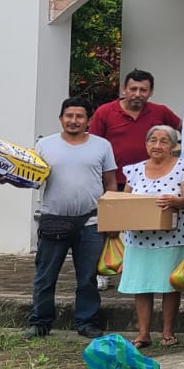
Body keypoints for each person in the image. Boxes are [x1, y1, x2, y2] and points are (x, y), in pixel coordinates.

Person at [24, 98, 118, 340]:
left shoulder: (102, 146)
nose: (73, 121)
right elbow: (30, 177)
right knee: (45, 275)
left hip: (91, 221)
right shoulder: (44, 145)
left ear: (88, 120)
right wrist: (6, 175)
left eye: (79, 116)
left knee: (87, 277)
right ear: (60, 118)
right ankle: (40, 321)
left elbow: (110, 183)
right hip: (53, 219)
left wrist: (111, 217)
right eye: (69, 115)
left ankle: (87, 322)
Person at [116, 124, 184, 347]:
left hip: (173, 238)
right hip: (138, 239)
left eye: (164, 141)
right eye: (153, 140)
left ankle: (168, 332)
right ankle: (143, 334)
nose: (157, 145)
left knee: (170, 286)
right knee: (141, 286)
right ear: (146, 144)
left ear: (173, 146)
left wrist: (176, 202)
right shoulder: (134, 170)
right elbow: (123, 203)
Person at [88, 68, 181, 174]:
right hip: (115, 179)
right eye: (133, 89)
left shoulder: (161, 111)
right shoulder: (104, 112)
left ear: (151, 92)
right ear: (124, 89)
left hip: (154, 178)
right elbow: (92, 146)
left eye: (143, 90)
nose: (137, 94)